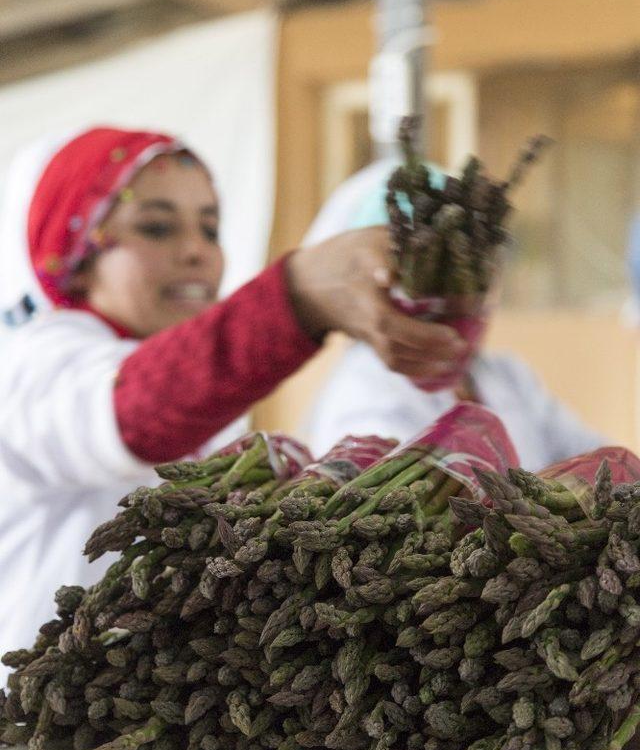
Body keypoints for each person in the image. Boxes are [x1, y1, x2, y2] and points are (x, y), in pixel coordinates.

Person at [0, 126, 466, 664]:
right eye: (156, 227)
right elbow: (135, 411)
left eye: (211, 228)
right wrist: (297, 297)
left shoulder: (185, 376)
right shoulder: (33, 365)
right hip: (32, 723)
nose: (196, 252)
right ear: (73, 249)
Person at [302, 159, 607, 470]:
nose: (458, 304)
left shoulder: (505, 376)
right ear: (384, 287)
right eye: (436, 281)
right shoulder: (363, 397)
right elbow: (408, 509)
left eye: (472, 278)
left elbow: (603, 466)